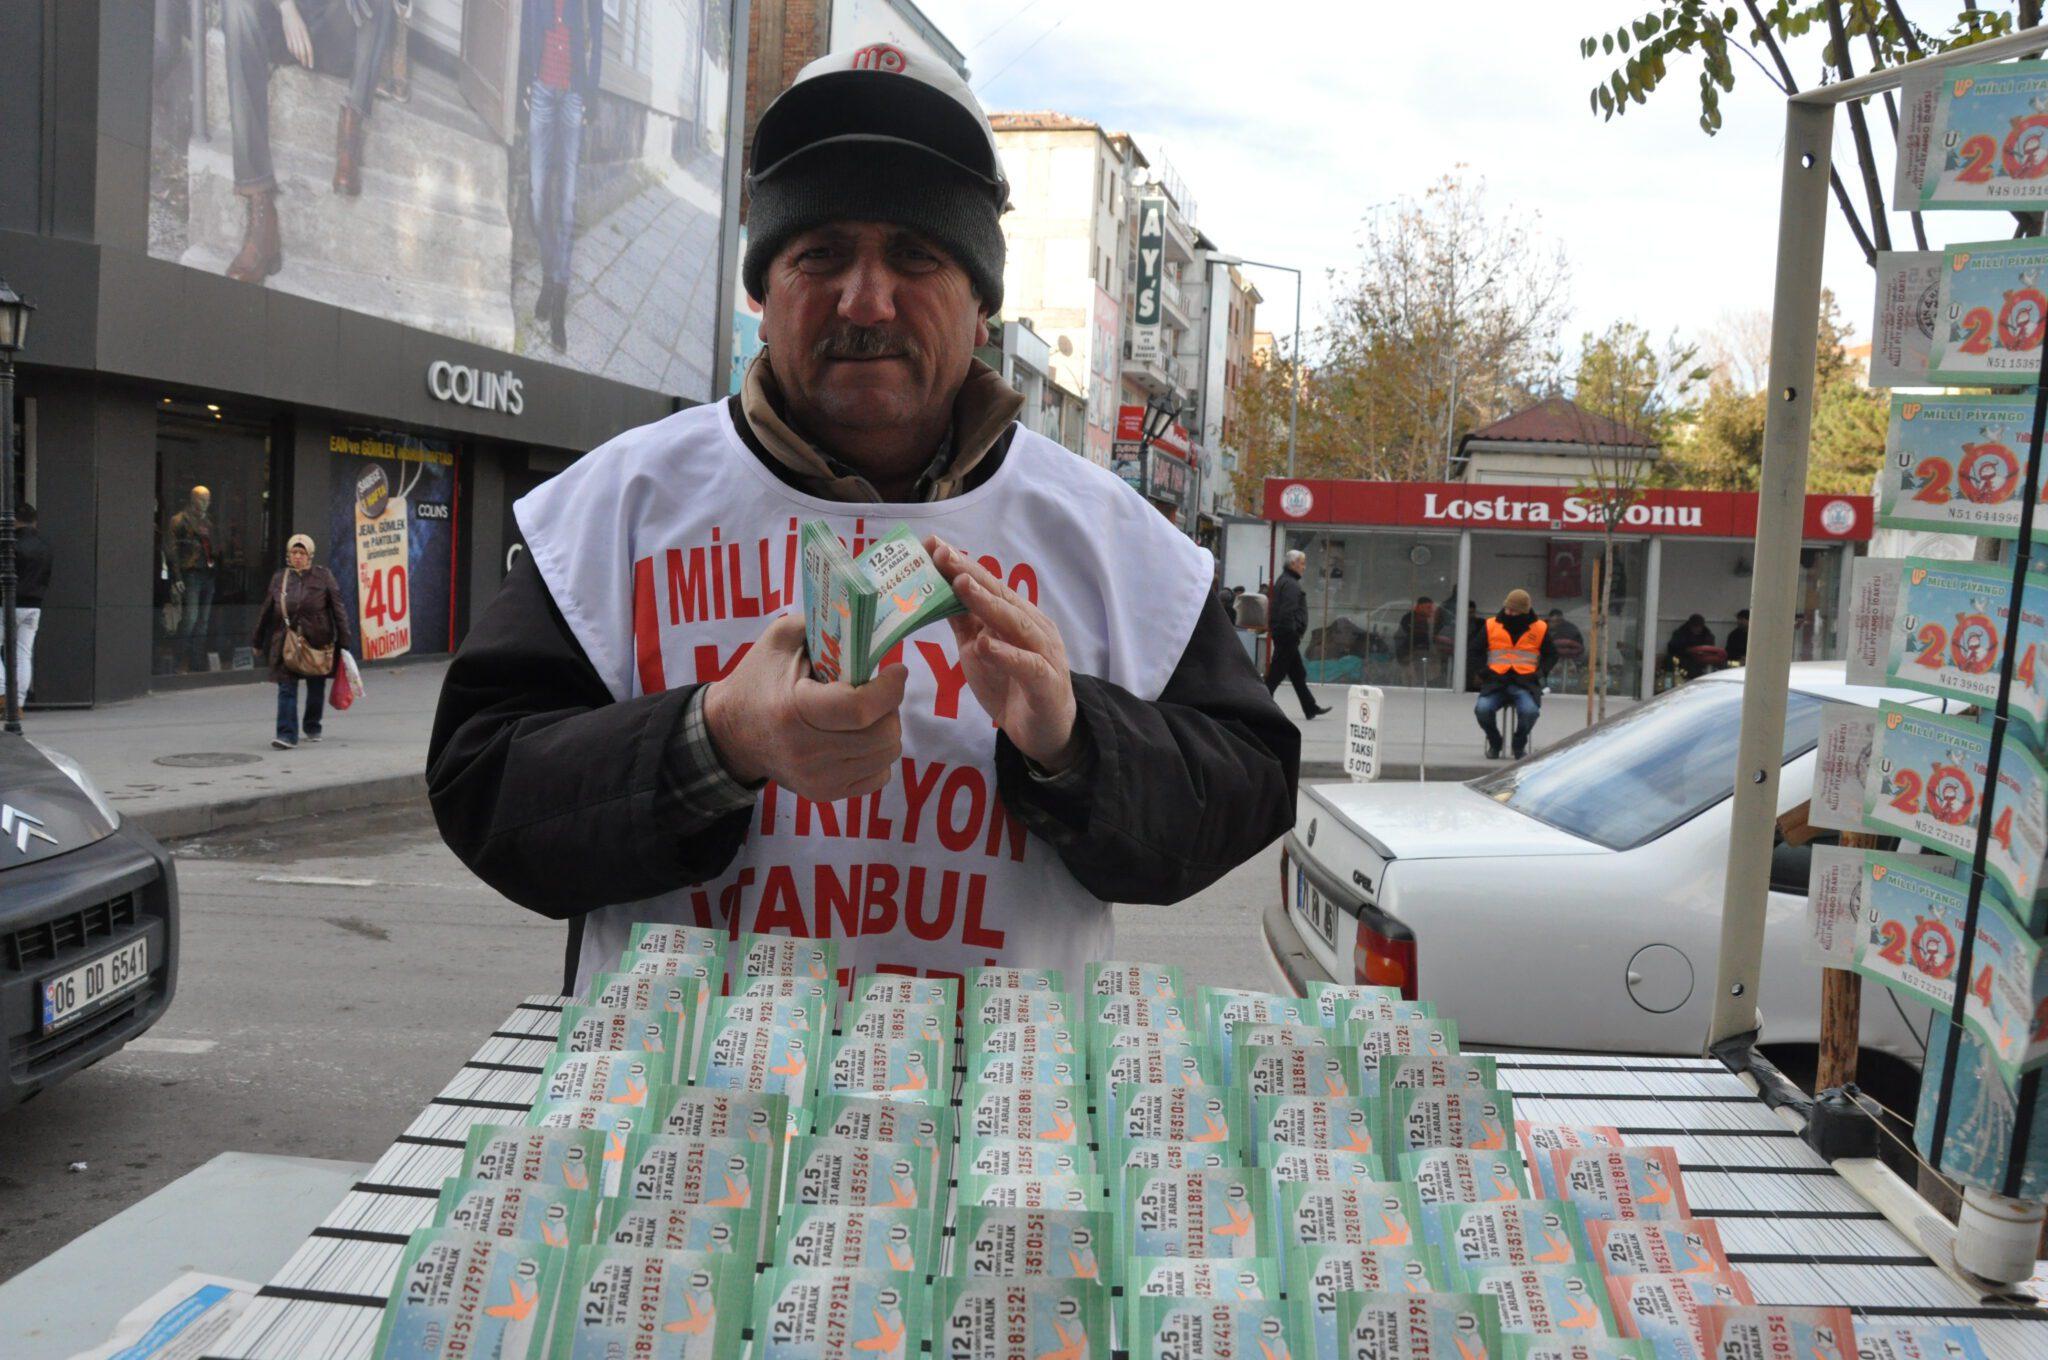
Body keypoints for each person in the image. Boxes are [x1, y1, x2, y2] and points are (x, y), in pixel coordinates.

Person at [426, 46, 1300, 994]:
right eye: (821, 253)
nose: (866, 299)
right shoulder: (614, 507)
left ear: (981, 309)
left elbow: (1247, 783)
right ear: (764, 298)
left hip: (998, 1119)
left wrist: (1076, 743)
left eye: (917, 255)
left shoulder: (1113, 540)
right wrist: (716, 741)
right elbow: (483, 791)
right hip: (680, 1113)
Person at [222, 0, 399, 281]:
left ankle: (350, 129)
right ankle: (260, 212)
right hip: (285, 30)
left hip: (335, 36)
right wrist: (286, 7)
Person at [519, 0, 604, 352]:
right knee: (539, 197)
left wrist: (591, 96)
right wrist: (525, 80)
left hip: (572, 99)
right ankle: (547, 279)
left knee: (566, 204)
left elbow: (597, 40)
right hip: (540, 91)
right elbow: (526, 26)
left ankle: (557, 302)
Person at [252, 533, 352, 749]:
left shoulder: (323, 576)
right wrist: (257, 640)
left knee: (315, 688)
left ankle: (312, 724)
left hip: (317, 642)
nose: (297, 556)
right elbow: (267, 610)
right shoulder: (280, 578)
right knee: (286, 688)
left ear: (310, 555)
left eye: (302, 553)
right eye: (294, 552)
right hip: (286, 643)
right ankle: (286, 734)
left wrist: (344, 642)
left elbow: (338, 609)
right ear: (289, 555)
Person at [1475, 588, 1553, 760]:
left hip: (1525, 683)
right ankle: (1495, 743)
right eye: (1507, 608)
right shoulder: (1491, 625)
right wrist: (1484, 672)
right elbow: (1475, 650)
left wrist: (1539, 673)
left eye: (1514, 610)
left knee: (1530, 712)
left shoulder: (1539, 628)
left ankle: (1519, 744)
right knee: (1482, 710)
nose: (1508, 613)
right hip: (1496, 681)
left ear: (1524, 611)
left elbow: (1551, 654)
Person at [1264, 549, 1328, 719]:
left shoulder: (1284, 580)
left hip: (1284, 634)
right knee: (1276, 674)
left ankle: (1310, 707)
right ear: (1293, 564)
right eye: (1302, 563)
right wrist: (1293, 632)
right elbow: (1287, 611)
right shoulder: (1291, 584)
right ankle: (1259, 703)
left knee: (1297, 674)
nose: (1304, 567)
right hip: (1287, 635)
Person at [168, 484, 219, 672]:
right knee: (190, 617)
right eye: (202, 499)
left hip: (208, 574)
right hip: (190, 574)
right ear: (192, 499)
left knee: (203, 621)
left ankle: (196, 662)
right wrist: (177, 576)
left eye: (208, 499)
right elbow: (172, 550)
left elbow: (215, 547)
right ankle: (178, 659)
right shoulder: (180, 520)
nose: (206, 503)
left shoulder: (209, 523)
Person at [7, 503, 49, 703]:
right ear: (35, 521)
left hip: (8, 603)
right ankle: (18, 702)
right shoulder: (45, 545)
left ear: (13, 520)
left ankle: (1, 694)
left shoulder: (10, 543)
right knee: (23, 653)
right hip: (34, 604)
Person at [1393, 596, 1436, 686]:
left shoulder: (1426, 620)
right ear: (1420, 607)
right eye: (1428, 608)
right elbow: (1402, 638)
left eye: (1431, 608)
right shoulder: (1410, 619)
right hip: (1408, 654)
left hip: (1421, 655)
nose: (1431, 610)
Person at [1666, 613, 1720, 681]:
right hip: (1684, 659)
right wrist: (1687, 650)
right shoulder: (1680, 634)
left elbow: (1711, 649)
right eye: (1695, 626)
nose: (1698, 629)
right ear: (1690, 626)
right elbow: (1672, 648)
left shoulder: (1707, 635)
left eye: (1700, 626)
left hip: (1702, 660)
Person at [1539, 608, 1584, 688]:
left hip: (1566, 662)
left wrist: (1566, 654)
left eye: (1558, 621)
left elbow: (1579, 648)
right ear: (1549, 619)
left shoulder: (1570, 629)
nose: (1554, 623)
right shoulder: (1541, 628)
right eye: (1552, 621)